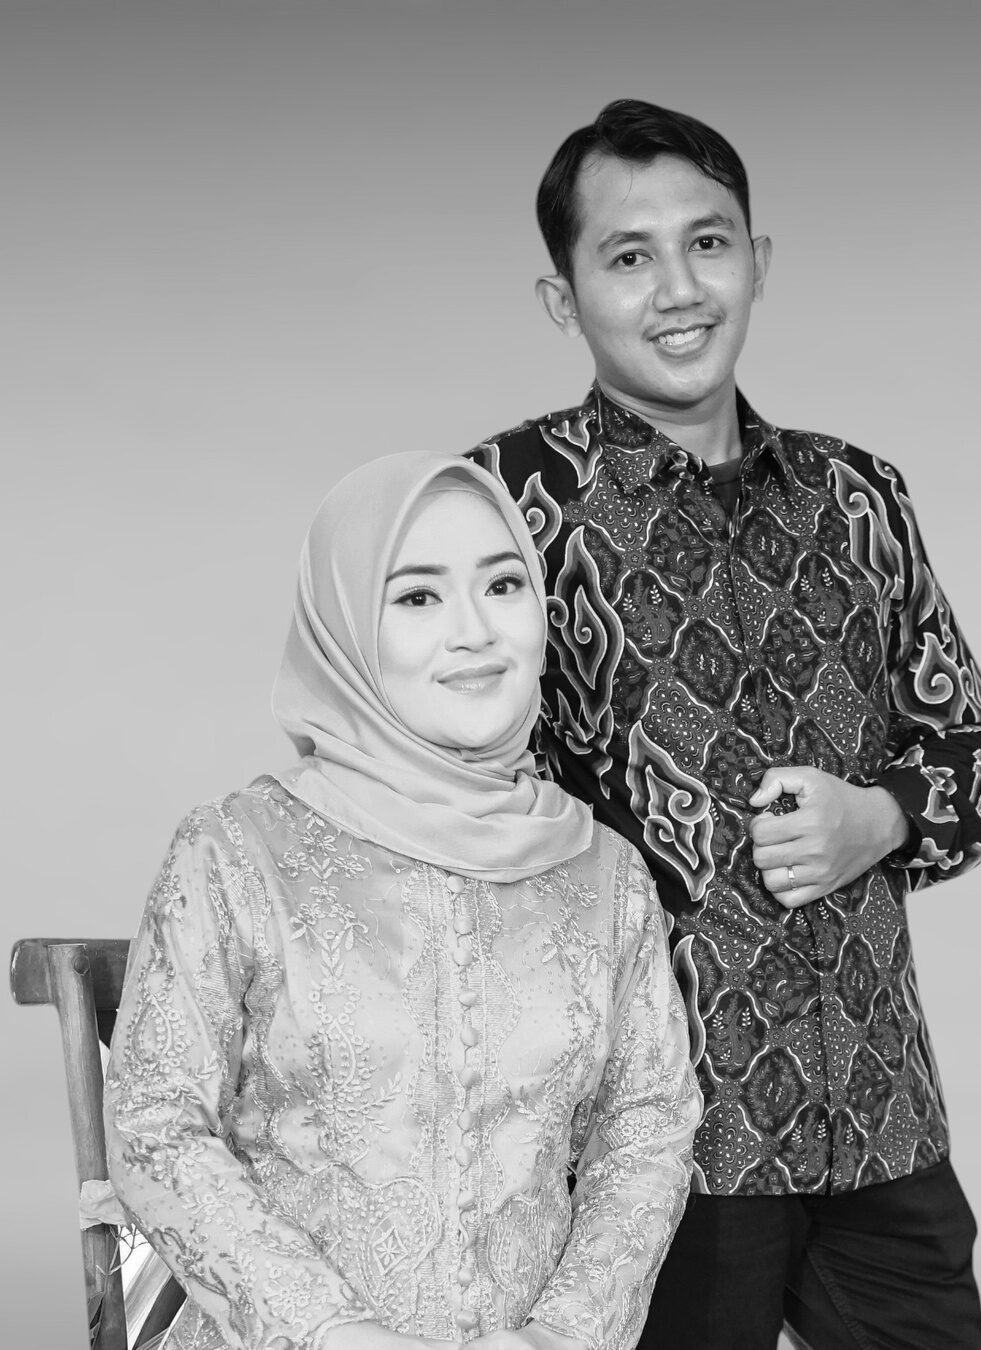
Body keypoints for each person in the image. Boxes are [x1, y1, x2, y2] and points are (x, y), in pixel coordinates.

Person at [467, 99, 981, 1349]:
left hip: (875, 1110)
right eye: (628, 255)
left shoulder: (858, 495)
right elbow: (453, 793)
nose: (678, 289)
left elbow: (967, 740)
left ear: (758, 260)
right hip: (646, 1141)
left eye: (707, 243)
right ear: (563, 298)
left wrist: (880, 818)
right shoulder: (505, 505)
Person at [103, 452, 701, 1350]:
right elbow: (155, 1124)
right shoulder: (235, 852)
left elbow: (646, 1130)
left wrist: (559, 1336)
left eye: (502, 585)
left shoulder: (604, 877)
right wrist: (332, 1334)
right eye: (417, 596)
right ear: (344, 628)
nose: (474, 632)